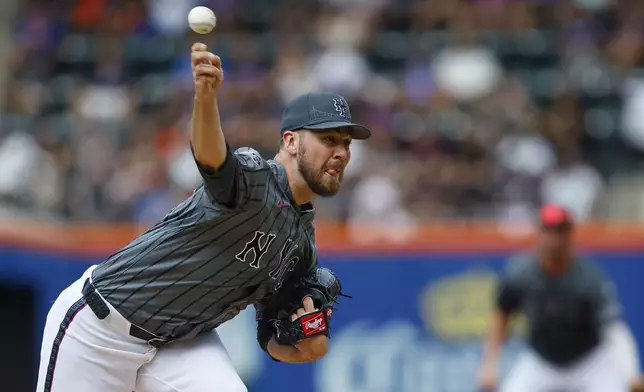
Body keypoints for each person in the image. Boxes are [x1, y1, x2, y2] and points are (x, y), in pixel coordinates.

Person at [36, 42, 371, 392]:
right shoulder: (256, 179)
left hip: (181, 342)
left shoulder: (301, 244)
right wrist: (206, 99)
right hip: (102, 325)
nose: (342, 153)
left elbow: (272, 337)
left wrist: (308, 344)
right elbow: (212, 157)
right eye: (329, 139)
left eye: (347, 143)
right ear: (290, 141)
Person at [478, 203, 644, 392]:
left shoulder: (589, 278)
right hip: (542, 361)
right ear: (539, 232)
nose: (554, 238)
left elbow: (614, 329)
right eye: (549, 230)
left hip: (589, 361)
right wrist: (489, 364)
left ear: (569, 235)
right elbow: (502, 314)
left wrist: (630, 372)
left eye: (560, 231)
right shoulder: (520, 273)